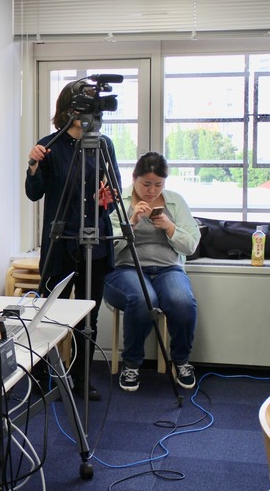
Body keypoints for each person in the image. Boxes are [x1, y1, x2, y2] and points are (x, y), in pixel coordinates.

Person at [25, 79, 121, 401]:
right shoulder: (49, 145)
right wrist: (33, 165)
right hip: (60, 242)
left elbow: (115, 194)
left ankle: (81, 378)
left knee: (88, 316)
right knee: (49, 312)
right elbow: (34, 193)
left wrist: (106, 197)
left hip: (96, 244)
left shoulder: (104, 145)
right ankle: (41, 375)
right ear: (68, 111)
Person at [103, 152, 200, 392]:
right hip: (126, 269)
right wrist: (132, 223)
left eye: (158, 185)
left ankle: (181, 361)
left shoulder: (175, 202)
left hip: (168, 268)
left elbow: (191, 245)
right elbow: (106, 247)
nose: (152, 190)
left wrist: (170, 227)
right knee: (143, 298)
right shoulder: (119, 201)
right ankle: (132, 364)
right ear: (134, 179)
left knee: (182, 301)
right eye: (146, 184)